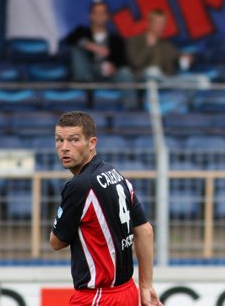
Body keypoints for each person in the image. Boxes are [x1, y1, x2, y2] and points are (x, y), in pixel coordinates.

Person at [50, 111, 163, 306]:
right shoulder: (115, 174)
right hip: (127, 291)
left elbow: (56, 242)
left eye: (73, 140)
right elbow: (145, 230)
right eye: (59, 140)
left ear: (92, 143)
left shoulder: (79, 186)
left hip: (98, 297)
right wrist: (145, 286)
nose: (64, 148)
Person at [64, 0, 131, 83]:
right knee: (77, 48)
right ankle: (83, 87)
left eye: (103, 13)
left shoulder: (115, 38)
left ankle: (130, 97)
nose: (100, 16)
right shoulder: (82, 32)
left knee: (125, 72)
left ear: (107, 16)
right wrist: (91, 46)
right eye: (97, 12)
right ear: (91, 15)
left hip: (109, 74)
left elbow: (123, 61)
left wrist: (114, 68)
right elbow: (69, 39)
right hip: (88, 71)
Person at [125, 9, 193, 81]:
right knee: (152, 72)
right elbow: (136, 62)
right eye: (158, 23)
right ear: (149, 23)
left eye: (163, 24)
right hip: (142, 82)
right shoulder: (134, 41)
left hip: (165, 81)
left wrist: (187, 58)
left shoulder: (166, 45)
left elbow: (178, 55)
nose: (161, 27)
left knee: (196, 80)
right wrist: (149, 46)